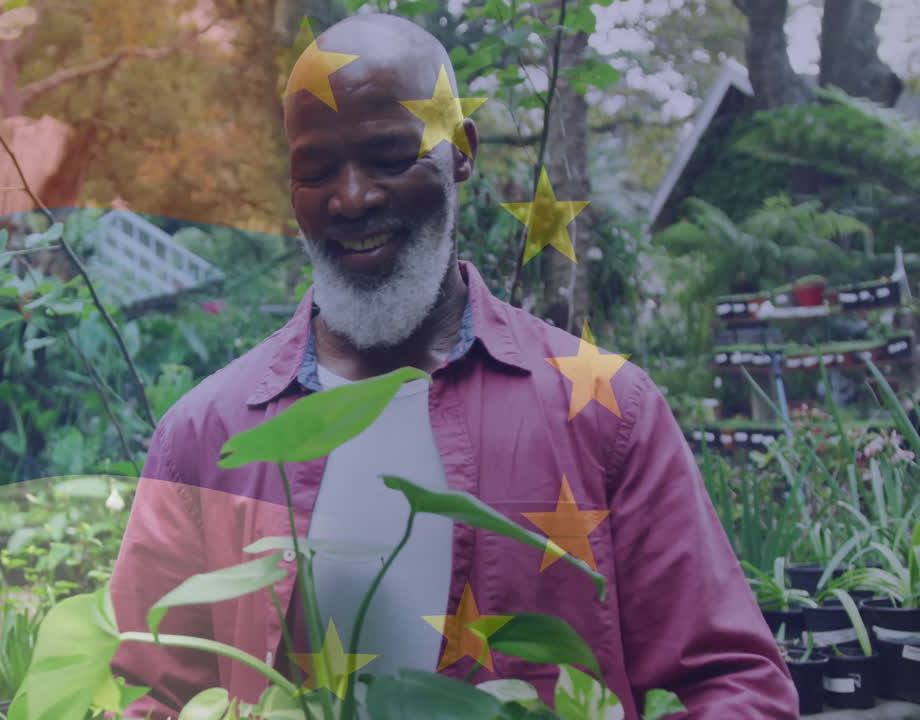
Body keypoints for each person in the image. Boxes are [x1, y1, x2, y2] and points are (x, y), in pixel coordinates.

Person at [109, 12, 797, 719]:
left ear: (460, 151)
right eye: (317, 171)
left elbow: (728, 684)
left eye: (387, 155)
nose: (353, 197)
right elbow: (148, 694)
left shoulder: (606, 410)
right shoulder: (202, 434)